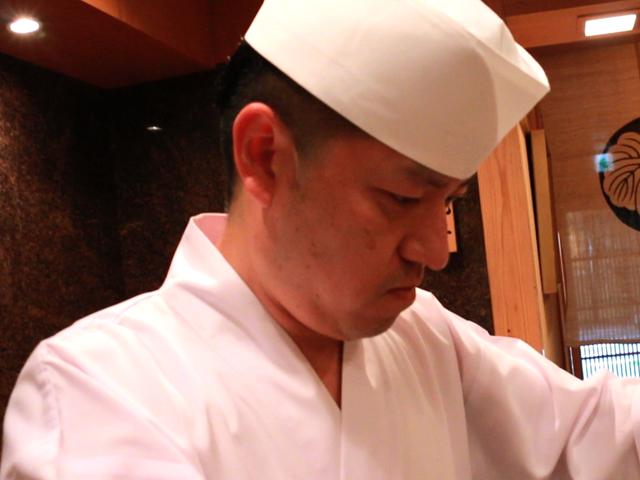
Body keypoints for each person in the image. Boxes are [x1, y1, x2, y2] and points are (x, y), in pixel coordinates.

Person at [3, 0, 640, 478]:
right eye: (403, 197)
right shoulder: (100, 392)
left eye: (449, 202)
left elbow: (593, 431)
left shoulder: (423, 337)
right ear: (264, 156)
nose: (437, 250)